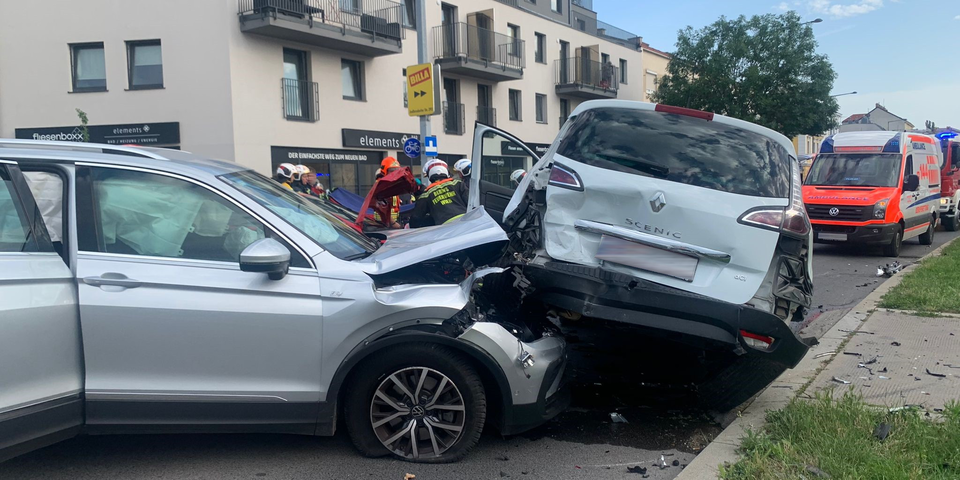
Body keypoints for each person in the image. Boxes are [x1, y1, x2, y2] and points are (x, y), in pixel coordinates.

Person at [409, 162, 468, 228]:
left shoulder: (426, 194)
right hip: (465, 222)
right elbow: (470, 202)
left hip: (445, 228)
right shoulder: (458, 184)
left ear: (430, 175)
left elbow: (415, 219)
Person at [374, 157, 403, 229]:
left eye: (397, 170)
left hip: (389, 223)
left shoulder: (390, 184)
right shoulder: (382, 186)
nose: (395, 173)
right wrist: (394, 223)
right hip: (385, 224)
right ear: (384, 171)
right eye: (392, 170)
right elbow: (382, 208)